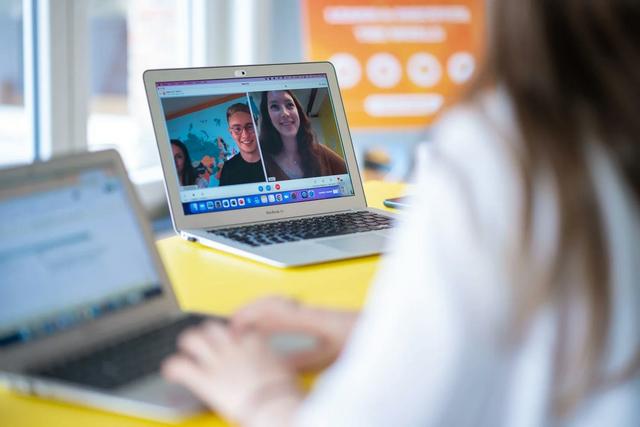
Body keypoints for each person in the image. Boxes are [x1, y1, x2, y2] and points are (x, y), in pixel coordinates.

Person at [162, 1, 640, 426]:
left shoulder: (504, 148)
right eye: (265, 113)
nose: (276, 116)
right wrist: (369, 333)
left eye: (288, 104)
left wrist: (259, 394)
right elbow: (547, 327)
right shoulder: (612, 127)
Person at [258, 90, 347, 181]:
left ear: (298, 111)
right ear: (267, 116)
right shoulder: (262, 158)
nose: (285, 113)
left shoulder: (320, 151)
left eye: (289, 105)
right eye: (274, 106)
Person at [218, 103, 266, 186]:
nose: (245, 135)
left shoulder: (277, 158)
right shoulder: (228, 168)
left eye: (250, 126)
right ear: (231, 133)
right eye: (237, 129)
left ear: (257, 127)